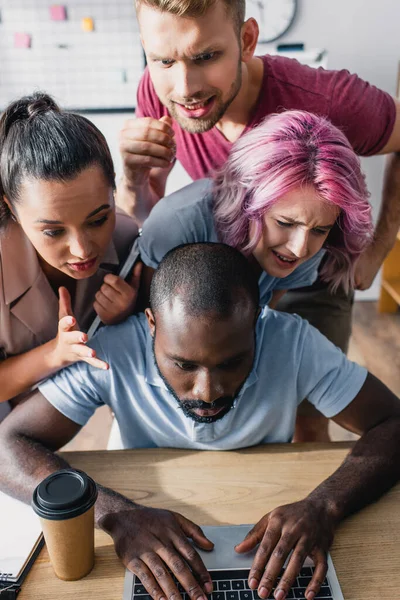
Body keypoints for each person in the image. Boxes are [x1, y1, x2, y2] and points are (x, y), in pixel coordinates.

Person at [1, 243, 399, 600]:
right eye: (184, 364)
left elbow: (393, 423)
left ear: (257, 325)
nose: (207, 392)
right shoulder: (112, 352)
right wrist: (115, 514)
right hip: (142, 514)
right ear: (151, 325)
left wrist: (325, 505)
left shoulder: (293, 341)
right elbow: (6, 446)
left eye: (231, 362)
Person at [117, 0, 400, 439]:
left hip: (312, 278)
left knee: (308, 422)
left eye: (206, 56)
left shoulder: (329, 100)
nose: (185, 86)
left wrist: (379, 248)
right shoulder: (159, 93)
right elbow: (147, 213)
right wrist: (132, 180)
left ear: (247, 40)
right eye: (164, 59)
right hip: (232, 271)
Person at [137, 110, 373, 308]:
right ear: (245, 199)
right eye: (285, 223)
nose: (299, 249)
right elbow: (144, 318)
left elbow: (255, 322)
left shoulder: (311, 238)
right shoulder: (175, 225)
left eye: (319, 230)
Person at [0, 92, 140, 414]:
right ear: (13, 210)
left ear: (113, 189)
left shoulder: (128, 240)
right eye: (53, 231)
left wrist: (123, 319)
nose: (82, 249)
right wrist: (56, 353)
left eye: (98, 219)